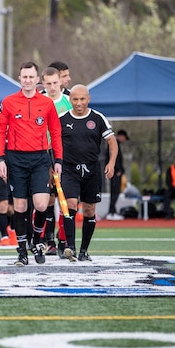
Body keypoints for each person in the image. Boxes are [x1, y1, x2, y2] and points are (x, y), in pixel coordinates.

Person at [0, 61, 63, 266]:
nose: (28, 81)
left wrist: (58, 159)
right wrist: (0, 159)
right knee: (21, 206)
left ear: (37, 80)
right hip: (15, 159)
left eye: (31, 77)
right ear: (19, 78)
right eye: (24, 77)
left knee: (41, 205)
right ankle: (22, 251)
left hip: (41, 159)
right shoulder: (8, 102)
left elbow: (56, 132)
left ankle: (37, 240)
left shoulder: (47, 103)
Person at [59, 84, 118, 262]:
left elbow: (112, 142)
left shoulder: (98, 118)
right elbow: (52, 143)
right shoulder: (61, 119)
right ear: (70, 100)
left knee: (89, 210)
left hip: (92, 170)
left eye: (82, 99)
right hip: (69, 169)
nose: (78, 103)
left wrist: (111, 163)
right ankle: (70, 248)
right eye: (75, 99)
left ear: (88, 99)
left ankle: (84, 250)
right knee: (70, 204)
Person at [38, 66, 72, 256]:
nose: (52, 87)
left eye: (55, 83)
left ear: (61, 81)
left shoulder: (69, 101)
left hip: (65, 156)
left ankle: (63, 240)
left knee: (65, 198)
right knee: (46, 199)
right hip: (43, 155)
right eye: (48, 83)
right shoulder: (38, 101)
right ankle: (47, 239)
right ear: (43, 83)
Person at [106, 129, 130, 220]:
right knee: (114, 192)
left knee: (115, 193)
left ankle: (113, 211)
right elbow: (113, 158)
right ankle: (111, 212)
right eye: (124, 138)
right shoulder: (113, 144)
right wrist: (117, 170)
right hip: (115, 173)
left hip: (116, 172)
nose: (124, 140)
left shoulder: (116, 144)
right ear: (121, 136)